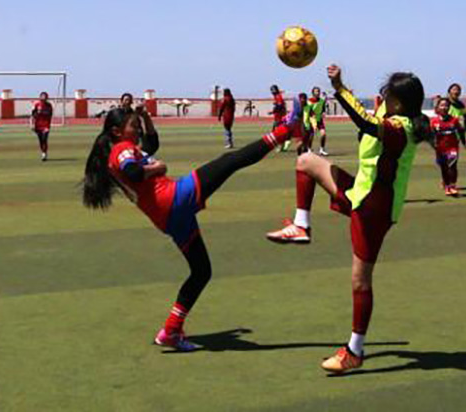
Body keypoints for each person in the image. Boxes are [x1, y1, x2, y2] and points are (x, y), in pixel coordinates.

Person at [82, 105, 297, 352]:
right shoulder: (121, 149)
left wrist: (145, 117)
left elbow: (152, 144)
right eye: (134, 125)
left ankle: (171, 331)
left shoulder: (124, 147)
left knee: (201, 271)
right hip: (173, 199)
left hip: (168, 217)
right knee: (229, 162)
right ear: (117, 131)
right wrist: (158, 169)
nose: (139, 129)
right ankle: (286, 130)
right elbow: (134, 171)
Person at [266, 64, 429, 374]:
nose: (381, 98)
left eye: (385, 95)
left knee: (360, 280)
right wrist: (343, 88)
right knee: (306, 161)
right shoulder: (390, 117)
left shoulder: (400, 128)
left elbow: (365, 123)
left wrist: (339, 88)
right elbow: (368, 118)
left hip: (374, 210)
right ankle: (301, 225)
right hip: (360, 193)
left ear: (397, 102)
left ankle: (354, 350)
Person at [431, 97, 466, 196]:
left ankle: (453, 186)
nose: (444, 107)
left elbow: (460, 131)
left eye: (446, 105)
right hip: (440, 149)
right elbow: (430, 135)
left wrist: (463, 142)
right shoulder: (434, 121)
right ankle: (447, 186)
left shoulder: (454, 120)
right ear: (438, 107)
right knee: (444, 168)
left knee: (452, 166)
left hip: (452, 147)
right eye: (442, 105)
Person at [443, 83, 466, 148]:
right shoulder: (444, 102)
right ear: (449, 91)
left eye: (458, 90)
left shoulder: (461, 105)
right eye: (454, 89)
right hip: (443, 128)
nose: (456, 91)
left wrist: (465, 127)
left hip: (454, 130)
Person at [31, 91, 54, 161]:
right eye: (42, 96)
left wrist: (43, 113)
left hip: (46, 125)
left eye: (45, 97)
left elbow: (50, 115)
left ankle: (44, 154)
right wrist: (32, 124)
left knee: (44, 139)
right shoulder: (36, 105)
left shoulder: (49, 105)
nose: (43, 98)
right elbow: (33, 115)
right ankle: (43, 151)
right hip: (38, 125)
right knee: (41, 140)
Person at [308, 87, 330, 156]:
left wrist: (323, 113)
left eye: (318, 91)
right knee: (311, 136)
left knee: (323, 134)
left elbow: (323, 109)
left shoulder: (322, 101)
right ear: (313, 93)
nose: (317, 93)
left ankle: (322, 150)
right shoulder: (309, 101)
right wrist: (312, 115)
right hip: (312, 120)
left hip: (319, 120)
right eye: (316, 91)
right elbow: (308, 111)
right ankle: (309, 149)